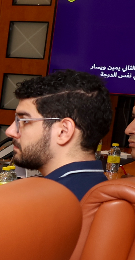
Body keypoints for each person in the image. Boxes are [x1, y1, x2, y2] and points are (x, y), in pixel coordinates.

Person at [6, 70, 113, 200]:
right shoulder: (101, 188)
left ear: (63, 131)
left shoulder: (43, 203)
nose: (10, 131)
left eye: (25, 121)